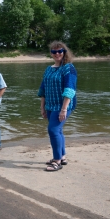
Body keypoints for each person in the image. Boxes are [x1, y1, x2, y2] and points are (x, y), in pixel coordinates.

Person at [38, 41, 77, 172]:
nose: (57, 54)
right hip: (50, 105)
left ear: (64, 52)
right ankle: (62, 156)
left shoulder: (68, 68)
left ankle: (57, 161)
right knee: (58, 131)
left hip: (63, 105)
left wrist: (64, 109)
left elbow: (70, 90)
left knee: (53, 130)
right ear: (51, 54)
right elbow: (43, 89)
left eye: (60, 51)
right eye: (54, 52)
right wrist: (42, 107)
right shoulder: (48, 69)